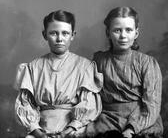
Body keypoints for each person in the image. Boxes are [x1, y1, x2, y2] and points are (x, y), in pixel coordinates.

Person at [14, 10, 103, 138]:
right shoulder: (33, 67)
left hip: (73, 130)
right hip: (40, 130)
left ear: (73, 35)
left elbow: (88, 103)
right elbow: (25, 104)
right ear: (45, 35)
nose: (59, 39)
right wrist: (38, 133)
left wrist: (67, 132)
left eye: (65, 33)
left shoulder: (85, 66)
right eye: (53, 33)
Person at [86, 7, 163, 138]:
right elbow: (90, 96)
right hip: (107, 119)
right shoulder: (99, 60)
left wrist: (131, 129)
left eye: (128, 30)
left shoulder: (147, 63)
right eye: (117, 30)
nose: (123, 36)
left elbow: (152, 105)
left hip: (140, 118)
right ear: (108, 33)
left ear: (136, 33)